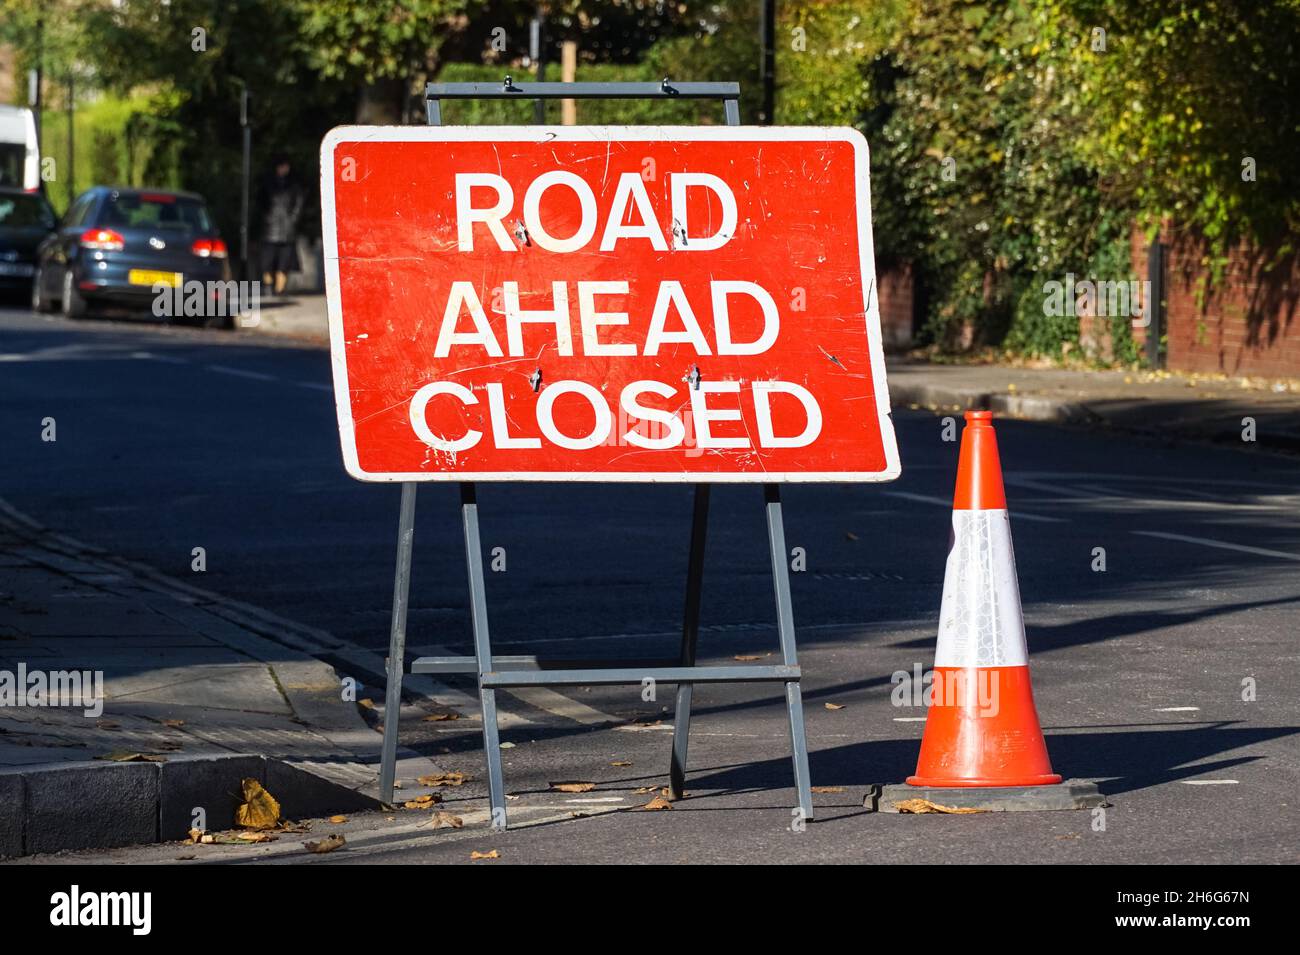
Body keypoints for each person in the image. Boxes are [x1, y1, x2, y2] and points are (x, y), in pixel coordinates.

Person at [258, 155, 304, 295]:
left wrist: (293, 219)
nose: (284, 169)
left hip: (287, 229)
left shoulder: (294, 185)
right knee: (268, 260)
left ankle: (280, 288)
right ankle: (268, 285)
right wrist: (266, 218)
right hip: (270, 229)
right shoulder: (267, 184)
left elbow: (299, 203)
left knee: (285, 261)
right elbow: (260, 204)